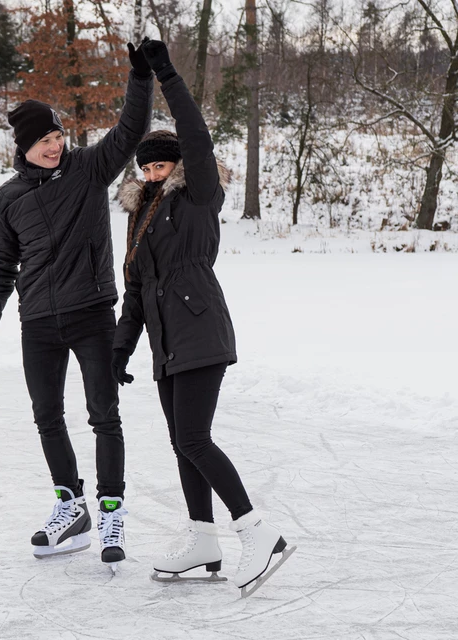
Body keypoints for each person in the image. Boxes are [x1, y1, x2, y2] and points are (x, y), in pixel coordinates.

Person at [112, 39, 294, 594]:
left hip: (200, 330)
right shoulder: (139, 217)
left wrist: (164, 74)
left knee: (193, 437)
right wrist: (120, 350)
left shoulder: (196, 198)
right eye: (146, 164)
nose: (154, 168)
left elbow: (195, 133)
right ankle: (202, 536)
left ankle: (256, 530)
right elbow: (136, 294)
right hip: (166, 344)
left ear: (179, 165)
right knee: (182, 441)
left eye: (162, 160)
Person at [0, 42, 154, 570]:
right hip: (38, 322)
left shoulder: (90, 169)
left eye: (57, 137)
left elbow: (129, 129)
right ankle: (70, 507)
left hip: (92, 312)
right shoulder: (8, 198)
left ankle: (112, 511)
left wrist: (138, 77)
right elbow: (0, 265)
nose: (54, 146)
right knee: (47, 417)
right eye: (44, 141)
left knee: (104, 416)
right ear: (23, 148)